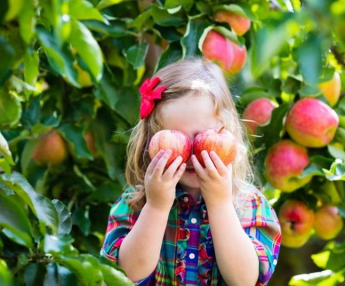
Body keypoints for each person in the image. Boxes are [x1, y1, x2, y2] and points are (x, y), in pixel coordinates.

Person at [100, 58, 281, 285]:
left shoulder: (248, 204)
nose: (193, 154)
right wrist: (156, 207)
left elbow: (244, 281)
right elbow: (126, 275)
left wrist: (220, 204)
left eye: (204, 136)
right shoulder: (137, 203)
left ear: (228, 134)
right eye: (178, 138)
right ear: (150, 141)